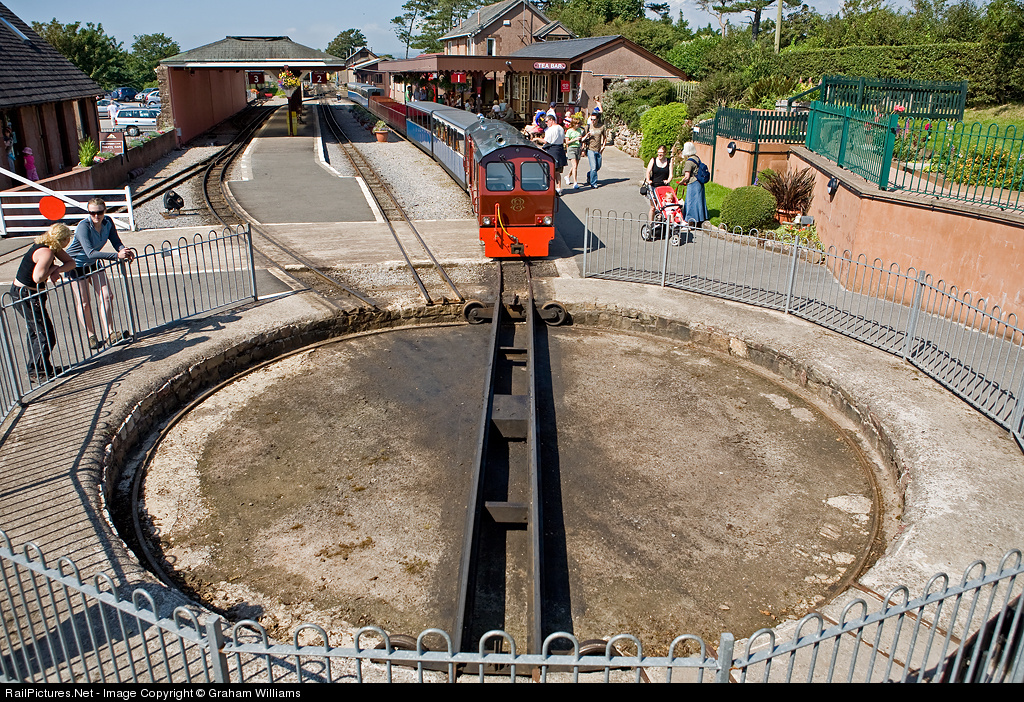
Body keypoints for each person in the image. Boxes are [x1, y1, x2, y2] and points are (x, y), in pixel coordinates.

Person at [65, 197, 135, 350]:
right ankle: (91, 335)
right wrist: (116, 256)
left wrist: (123, 250)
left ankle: (110, 333)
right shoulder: (83, 227)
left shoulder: (108, 222)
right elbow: (90, 252)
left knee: (107, 295)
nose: (96, 216)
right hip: (76, 265)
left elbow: (116, 241)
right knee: (84, 302)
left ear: (105, 211)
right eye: (92, 213)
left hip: (93, 263)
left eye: (99, 212)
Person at [10, 223, 77, 382]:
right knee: (44, 333)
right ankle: (37, 370)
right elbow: (38, 277)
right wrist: (53, 268)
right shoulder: (46, 251)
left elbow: (71, 262)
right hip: (25, 294)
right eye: (67, 239)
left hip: (33, 293)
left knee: (36, 331)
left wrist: (57, 269)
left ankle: (42, 367)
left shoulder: (52, 247)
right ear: (62, 240)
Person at [679, 141, 709, 229]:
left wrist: (681, 182)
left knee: (691, 202)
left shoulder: (689, 162)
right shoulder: (696, 158)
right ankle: (700, 219)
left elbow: (687, 176)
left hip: (693, 183)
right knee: (699, 201)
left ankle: (690, 222)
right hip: (699, 182)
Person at [645, 144, 673, 223]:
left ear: (665, 153)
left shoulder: (669, 161)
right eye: (658, 153)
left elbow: (671, 174)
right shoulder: (653, 160)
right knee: (653, 207)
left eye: (661, 153)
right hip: (654, 186)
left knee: (662, 206)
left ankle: (660, 221)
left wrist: (668, 180)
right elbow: (648, 171)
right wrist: (648, 180)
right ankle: (651, 223)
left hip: (664, 187)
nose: (659, 155)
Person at [541, 114, 567, 196]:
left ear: (551, 120)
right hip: (560, 149)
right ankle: (558, 188)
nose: (546, 123)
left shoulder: (551, 129)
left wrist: (536, 139)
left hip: (552, 150)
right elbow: (563, 139)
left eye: (546, 121)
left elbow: (546, 141)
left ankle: (551, 188)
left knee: (551, 171)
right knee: (557, 172)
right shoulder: (561, 128)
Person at [582, 112, 607, 189]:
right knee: (593, 167)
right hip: (590, 149)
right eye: (591, 119)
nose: (592, 121)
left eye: (594, 119)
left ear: (597, 119)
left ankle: (589, 175)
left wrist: (603, 146)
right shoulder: (588, 127)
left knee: (598, 167)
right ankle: (593, 183)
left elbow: (605, 137)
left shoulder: (601, 127)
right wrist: (583, 149)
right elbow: (583, 139)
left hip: (598, 150)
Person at [564, 116, 584, 189]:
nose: (578, 125)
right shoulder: (569, 131)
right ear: (573, 124)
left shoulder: (579, 130)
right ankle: (575, 182)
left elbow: (581, 140)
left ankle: (567, 176)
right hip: (571, 148)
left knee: (575, 166)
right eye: (576, 124)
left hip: (578, 148)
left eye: (579, 123)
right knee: (574, 165)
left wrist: (583, 146)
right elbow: (567, 142)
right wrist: (575, 139)